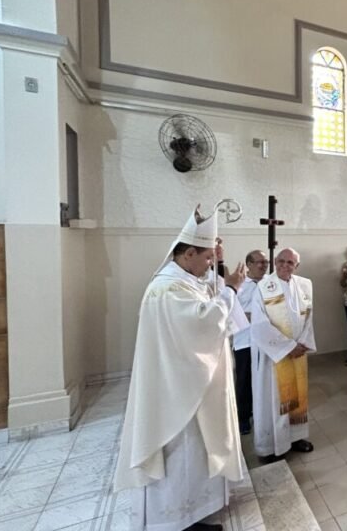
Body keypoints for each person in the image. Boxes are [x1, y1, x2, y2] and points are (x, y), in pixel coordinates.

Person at [114, 205, 246, 530]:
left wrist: (219, 268)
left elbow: (206, 296)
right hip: (179, 392)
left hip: (189, 383)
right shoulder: (168, 289)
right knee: (183, 455)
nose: (210, 264)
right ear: (188, 253)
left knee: (196, 455)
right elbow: (203, 322)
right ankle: (178, 521)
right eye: (207, 258)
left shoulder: (184, 280)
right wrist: (231, 289)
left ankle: (195, 512)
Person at [248, 248, 316, 460]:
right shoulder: (263, 287)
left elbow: (308, 315)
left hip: (297, 352)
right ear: (275, 262)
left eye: (290, 263)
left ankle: (296, 437)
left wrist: (302, 343)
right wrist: (287, 347)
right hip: (273, 356)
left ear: (297, 266)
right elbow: (259, 325)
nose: (284, 266)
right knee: (273, 399)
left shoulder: (304, 284)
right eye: (281, 261)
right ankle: (270, 447)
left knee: (296, 395)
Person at [234, 249, 269, 435]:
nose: (264, 265)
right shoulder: (238, 285)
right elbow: (233, 312)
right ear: (248, 264)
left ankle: (262, 412)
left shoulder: (271, 283)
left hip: (267, 340)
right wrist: (258, 317)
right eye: (259, 262)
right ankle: (243, 417)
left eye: (266, 262)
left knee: (265, 379)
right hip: (245, 340)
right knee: (245, 380)